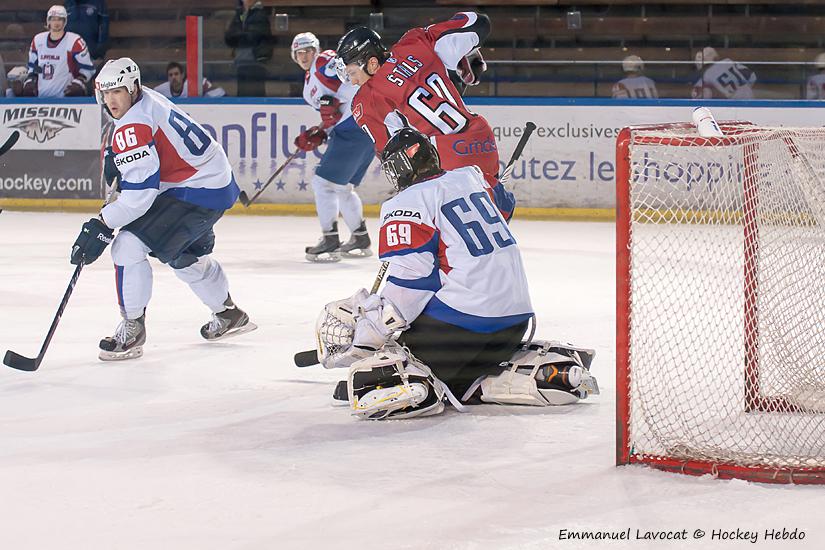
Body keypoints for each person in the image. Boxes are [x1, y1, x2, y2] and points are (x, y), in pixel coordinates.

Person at [312, 129, 599, 420]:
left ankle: (429, 381)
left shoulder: (405, 203)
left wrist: (371, 332)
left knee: (377, 378)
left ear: (399, 167)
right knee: (459, 384)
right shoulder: (471, 178)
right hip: (515, 325)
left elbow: (412, 285)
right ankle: (498, 380)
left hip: (461, 331)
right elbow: (505, 206)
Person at [69, 57, 256, 361]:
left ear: (133, 88)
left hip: (195, 190)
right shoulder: (148, 100)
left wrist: (103, 223)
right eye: (106, 92)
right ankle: (228, 314)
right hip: (213, 183)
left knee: (127, 246)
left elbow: (140, 196)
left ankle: (133, 329)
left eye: (117, 91)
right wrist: (118, 157)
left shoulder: (133, 125)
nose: (111, 100)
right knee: (182, 253)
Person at [334, 13, 516, 220]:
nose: (353, 82)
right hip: (481, 141)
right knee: (491, 225)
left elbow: (393, 156)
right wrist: (468, 55)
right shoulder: (416, 42)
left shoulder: (365, 101)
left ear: (372, 63)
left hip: (443, 160)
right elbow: (479, 22)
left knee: (454, 238)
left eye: (352, 74)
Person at [290, 32, 375, 262]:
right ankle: (360, 237)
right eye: (299, 52)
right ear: (294, 56)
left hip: (355, 123)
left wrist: (335, 109)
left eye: (308, 50)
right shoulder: (308, 89)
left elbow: (345, 73)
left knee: (322, 183)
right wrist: (320, 131)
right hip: (361, 127)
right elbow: (331, 112)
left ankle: (330, 240)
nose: (304, 55)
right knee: (342, 187)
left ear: (316, 50)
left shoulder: (324, 62)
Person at [22, 5, 94, 97]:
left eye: (60, 19)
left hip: (66, 98)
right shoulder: (38, 40)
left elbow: (88, 69)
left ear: (65, 21)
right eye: (53, 19)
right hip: (41, 97)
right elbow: (33, 66)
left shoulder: (75, 41)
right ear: (48, 21)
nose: (56, 22)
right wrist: (30, 79)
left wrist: (79, 82)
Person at [224, 0, 272, 97]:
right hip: (241, 61)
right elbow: (229, 38)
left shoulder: (260, 14)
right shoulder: (239, 13)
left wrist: (239, 36)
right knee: (242, 92)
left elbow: (254, 37)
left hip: (255, 61)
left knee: (255, 93)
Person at [691, 46, 756, 100]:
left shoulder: (707, 75)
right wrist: (745, 88)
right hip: (749, 94)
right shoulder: (728, 61)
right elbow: (752, 76)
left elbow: (703, 95)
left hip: (733, 100)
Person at [153, 61, 226, 99]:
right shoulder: (161, 89)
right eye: (170, 75)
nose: (173, 77)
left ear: (182, 75)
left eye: (176, 74)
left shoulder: (193, 84)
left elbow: (220, 92)